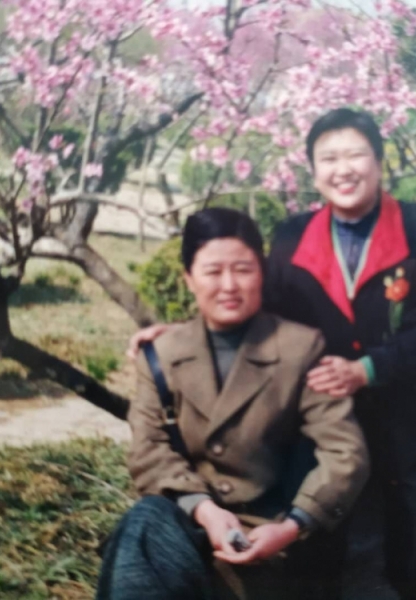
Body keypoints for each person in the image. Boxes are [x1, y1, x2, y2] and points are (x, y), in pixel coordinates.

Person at [128, 107, 416, 599]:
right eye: (329, 159)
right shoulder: (294, 235)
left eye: (356, 155)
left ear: (380, 163)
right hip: (332, 428)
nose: (344, 170)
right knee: (321, 568)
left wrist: (366, 369)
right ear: (313, 172)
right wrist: (189, 333)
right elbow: (261, 306)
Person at [100, 207, 369, 600]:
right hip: (188, 525)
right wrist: (205, 511)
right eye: (212, 272)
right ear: (189, 279)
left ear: (262, 273)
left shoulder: (300, 348)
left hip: (270, 537)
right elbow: (149, 450)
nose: (229, 285)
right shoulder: (161, 355)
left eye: (243, 270)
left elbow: (345, 452)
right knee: (144, 524)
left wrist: (293, 525)